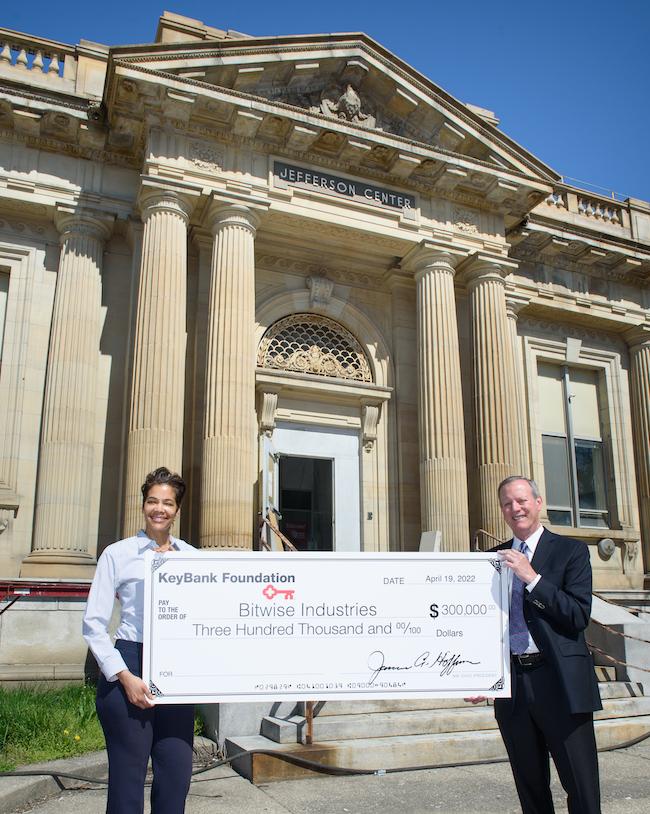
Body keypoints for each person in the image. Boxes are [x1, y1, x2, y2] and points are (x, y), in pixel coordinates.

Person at [468, 475, 602, 814]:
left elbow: (577, 615)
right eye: (507, 503)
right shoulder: (490, 560)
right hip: (513, 687)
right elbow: (481, 625)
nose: (515, 508)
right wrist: (479, 674)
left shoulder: (570, 551)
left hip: (560, 683)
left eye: (521, 500)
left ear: (538, 503)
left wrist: (532, 578)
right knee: (531, 791)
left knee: (582, 789)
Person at [83, 467, 195, 814]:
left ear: (177, 510)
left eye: (167, 503)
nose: (159, 509)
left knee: (176, 775)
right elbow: (94, 624)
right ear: (143, 504)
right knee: (127, 783)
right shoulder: (118, 554)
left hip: (176, 670)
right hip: (129, 662)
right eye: (152, 501)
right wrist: (124, 677)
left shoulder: (194, 558)